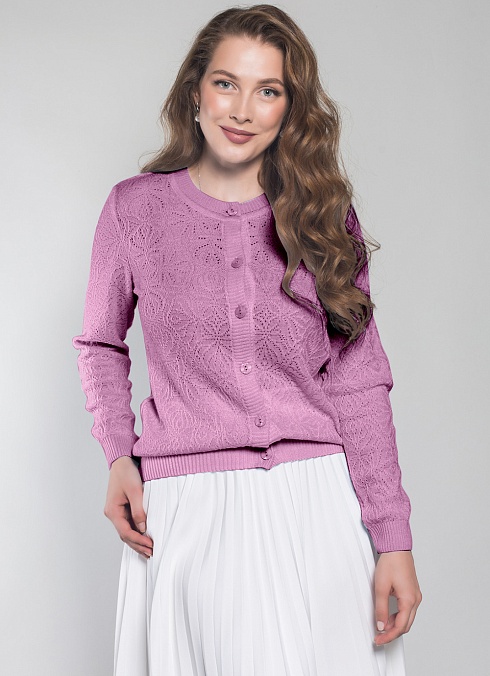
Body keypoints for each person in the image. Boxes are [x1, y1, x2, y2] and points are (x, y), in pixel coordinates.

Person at [72, 4, 422, 674]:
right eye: (226, 83)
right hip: (188, 506)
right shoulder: (133, 210)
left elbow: (359, 380)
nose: (241, 110)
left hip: (321, 504)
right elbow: (100, 344)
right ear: (194, 91)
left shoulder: (323, 217)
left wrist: (393, 538)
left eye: (268, 91)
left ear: (290, 108)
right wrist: (118, 453)